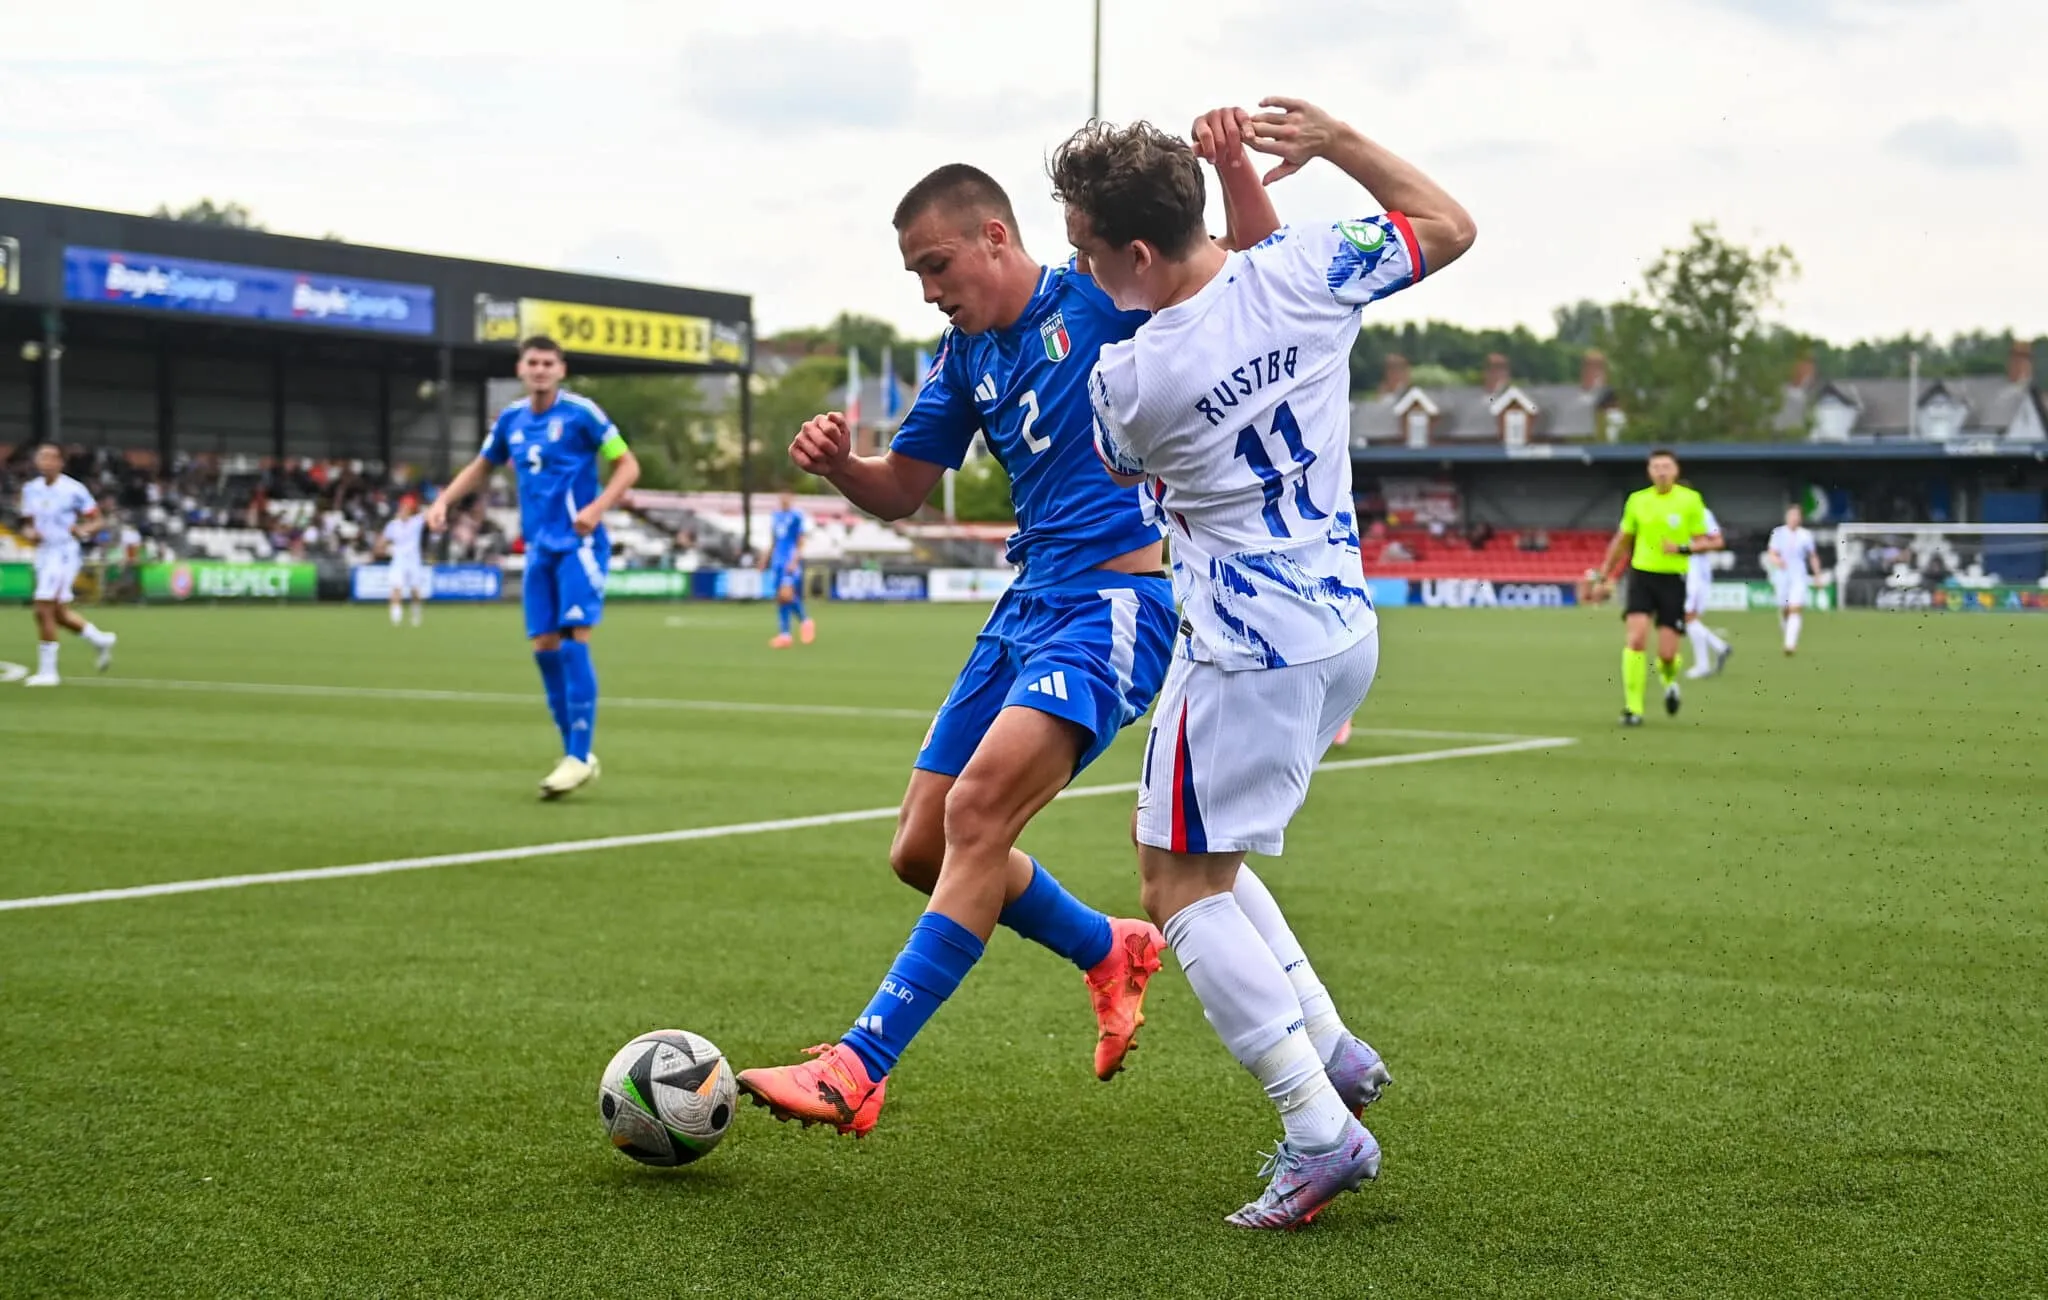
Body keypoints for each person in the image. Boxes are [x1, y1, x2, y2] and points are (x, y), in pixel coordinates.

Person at [737, 133, 1280, 1137]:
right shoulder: (964, 356)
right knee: (919, 846)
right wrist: (839, 466)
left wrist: (1236, 182)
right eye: (913, 276)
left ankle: (859, 1065)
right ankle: (1106, 951)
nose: (928, 291)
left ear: (994, 238)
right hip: (1026, 606)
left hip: (1114, 605)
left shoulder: (1103, 297)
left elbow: (1228, 281)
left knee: (980, 814)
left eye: (935, 267)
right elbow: (902, 490)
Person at [1055, 98, 1474, 1229]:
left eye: (1088, 253)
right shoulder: (1303, 269)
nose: (1082, 273)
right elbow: (1444, 221)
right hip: (1342, 628)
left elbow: (1138, 422)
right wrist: (1321, 142)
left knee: (1173, 887)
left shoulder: (1128, 383)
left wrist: (1233, 204)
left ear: (1132, 254)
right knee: (1216, 861)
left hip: (1240, 650)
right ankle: (1331, 1047)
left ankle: (1314, 1126)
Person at [428, 336, 640, 798]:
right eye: (532, 363)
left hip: (579, 545)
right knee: (543, 647)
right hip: (539, 549)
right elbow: (482, 467)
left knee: (573, 640)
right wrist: (444, 499)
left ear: (561, 369)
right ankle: (575, 754)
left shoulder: (583, 414)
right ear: (520, 370)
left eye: (548, 363)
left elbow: (627, 465)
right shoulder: (510, 420)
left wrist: (598, 508)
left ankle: (579, 755)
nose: (540, 370)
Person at [1595, 450, 1711, 726]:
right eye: (1656, 466)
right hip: (1641, 576)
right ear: (1649, 471)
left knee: (1668, 654)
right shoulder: (1637, 500)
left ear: (1675, 470)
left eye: (1666, 466)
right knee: (1635, 639)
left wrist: (1682, 549)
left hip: (1673, 579)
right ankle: (1633, 708)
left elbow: (1705, 541)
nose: (1661, 471)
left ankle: (1670, 681)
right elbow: (1623, 539)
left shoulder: (1690, 500)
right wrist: (1605, 574)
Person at [17, 444, 117, 686]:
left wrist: (82, 530)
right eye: (41, 457)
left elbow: (97, 520)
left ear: (60, 462)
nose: (45, 462)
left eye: (51, 458)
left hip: (63, 553)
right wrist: (30, 533)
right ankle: (99, 639)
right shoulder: (31, 489)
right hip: (43, 552)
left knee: (42, 608)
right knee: (59, 613)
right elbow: (28, 523)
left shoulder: (73, 489)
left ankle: (49, 672)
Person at [1682, 504, 1732, 678]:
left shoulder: (1701, 513)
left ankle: (1719, 647)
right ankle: (1702, 664)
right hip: (1692, 571)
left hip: (1695, 571)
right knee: (1691, 619)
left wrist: (1689, 547)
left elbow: (1718, 541)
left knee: (1687, 618)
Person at [1766, 502, 1823, 655]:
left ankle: (1790, 644)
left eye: (1797, 515)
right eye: (1792, 515)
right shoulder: (1777, 533)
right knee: (1785, 610)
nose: (1794, 518)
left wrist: (1817, 575)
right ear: (1787, 517)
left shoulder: (1805, 535)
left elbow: (1813, 556)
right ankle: (1787, 634)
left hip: (1799, 576)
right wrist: (1777, 561)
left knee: (1795, 608)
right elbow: (1771, 553)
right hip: (1782, 576)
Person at [765, 491, 814, 648]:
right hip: (777, 562)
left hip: (789, 561)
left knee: (786, 595)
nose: (784, 500)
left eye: (787, 497)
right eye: (781, 497)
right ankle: (785, 635)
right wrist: (765, 559)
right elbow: (774, 540)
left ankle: (805, 621)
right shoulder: (775, 516)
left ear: (792, 499)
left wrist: (795, 560)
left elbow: (800, 540)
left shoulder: (796, 516)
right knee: (781, 598)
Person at [377, 494, 431, 627]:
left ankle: (416, 613)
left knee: (415, 590)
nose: (404, 510)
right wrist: (383, 549)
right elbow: (382, 542)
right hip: (399, 561)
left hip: (413, 560)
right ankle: (396, 619)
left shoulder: (416, 522)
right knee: (396, 588)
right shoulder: (393, 525)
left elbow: (428, 513)